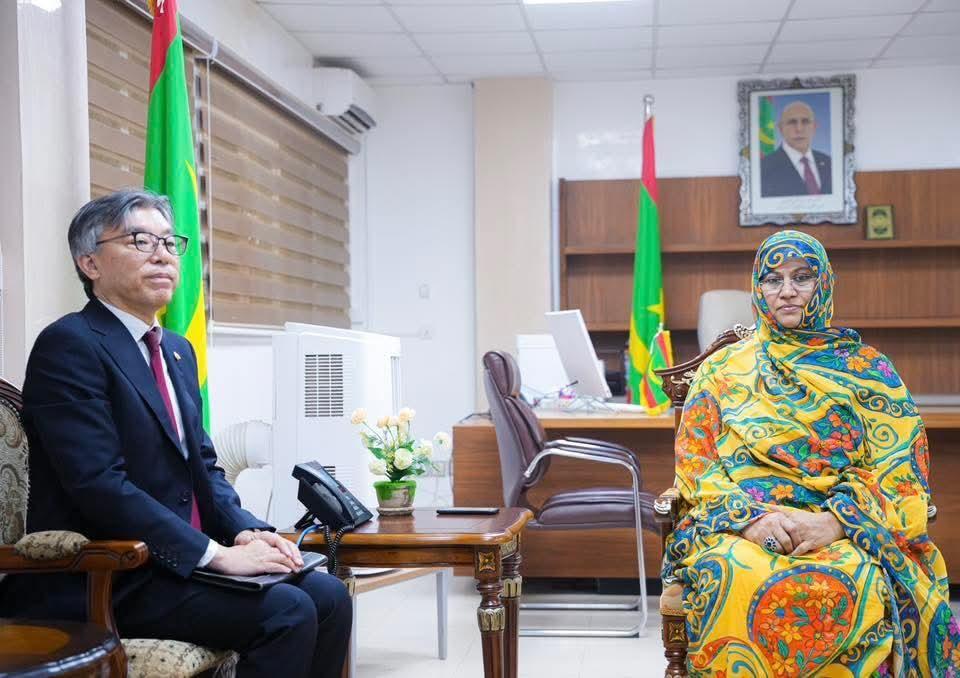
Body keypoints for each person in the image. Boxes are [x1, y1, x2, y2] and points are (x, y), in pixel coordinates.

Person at [0, 189, 351, 678]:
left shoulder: (177, 351)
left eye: (169, 242)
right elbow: (100, 484)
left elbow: (203, 466)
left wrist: (244, 530)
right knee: (286, 612)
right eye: (140, 241)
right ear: (89, 263)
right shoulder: (70, 345)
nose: (162, 254)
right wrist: (217, 555)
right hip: (108, 574)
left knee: (330, 595)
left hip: (173, 563)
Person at [662, 230, 960, 675]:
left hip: (842, 529)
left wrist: (836, 523)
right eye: (773, 279)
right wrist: (751, 520)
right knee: (731, 573)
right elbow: (696, 465)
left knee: (861, 578)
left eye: (802, 277)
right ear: (757, 288)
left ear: (824, 285)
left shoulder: (868, 369)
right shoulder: (721, 370)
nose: (787, 291)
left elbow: (902, 471)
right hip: (743, 527)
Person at [760, 101, 832, 197]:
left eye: (805, 121)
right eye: (792, 122)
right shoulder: (764, 168)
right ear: (781, 128)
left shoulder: (829, 162)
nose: (799, 129)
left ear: (814, 127)